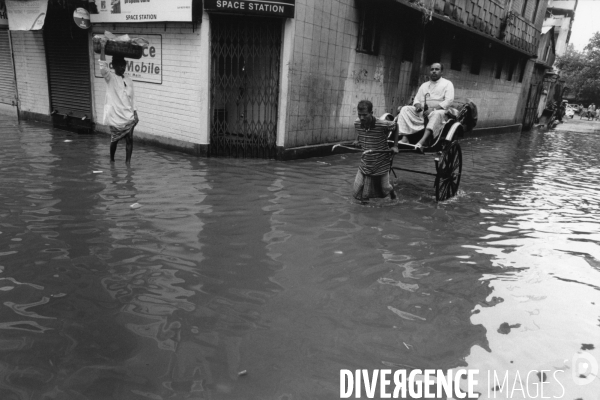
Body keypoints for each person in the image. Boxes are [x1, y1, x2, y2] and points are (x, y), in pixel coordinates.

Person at [397, 63, 454, 150]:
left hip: (439, 111)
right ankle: (405, 138)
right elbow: (416, 99)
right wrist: (418, 105)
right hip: (422, 112)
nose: (434, 71)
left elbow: (449, 100)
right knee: (405, 109)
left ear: (441, 72)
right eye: (432, 69)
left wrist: (433, 109)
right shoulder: (424, 85)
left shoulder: (447, 83)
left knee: (436, 114)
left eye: (437, 69)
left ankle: (422, 141)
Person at [99, 37, 138, 163]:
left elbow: (132, 98)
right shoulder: (110, 78)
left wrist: (135, 112)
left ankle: (128, 164)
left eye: (124, 65)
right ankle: (112, 160)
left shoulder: (128, 80)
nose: (122, 67)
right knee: (114, 140)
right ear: (114, 66)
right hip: (115, 115)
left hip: (128, 115)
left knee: (130, 139)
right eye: (119, 65)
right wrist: (103, 47)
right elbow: (103, 67)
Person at [352, 100, 399, 201]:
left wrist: (395, 146)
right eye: (359, 115)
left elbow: (396, 126)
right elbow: (358, 129)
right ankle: (363, 211)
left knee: (385, 187)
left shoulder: (382, 124)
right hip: (366, 161)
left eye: (365, 115)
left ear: (371, 113)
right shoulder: (357, 123)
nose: (362, 118)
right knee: (358, 189)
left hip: (380, 162)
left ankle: (392, 192)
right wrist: (357, 139)